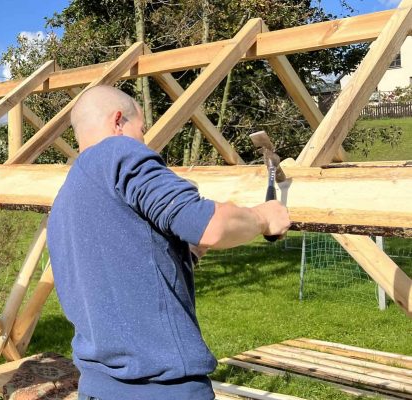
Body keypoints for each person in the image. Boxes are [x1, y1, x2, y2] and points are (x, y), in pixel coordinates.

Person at [47, 86, 290, 400]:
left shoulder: (66, 199)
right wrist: (262, 218)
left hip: (99, 387)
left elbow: (128, 268)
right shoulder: (117, 151)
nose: (144, 141)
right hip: (161, 389)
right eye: (142, 129)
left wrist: (187, 252)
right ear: (118, 122)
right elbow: (212, 227)